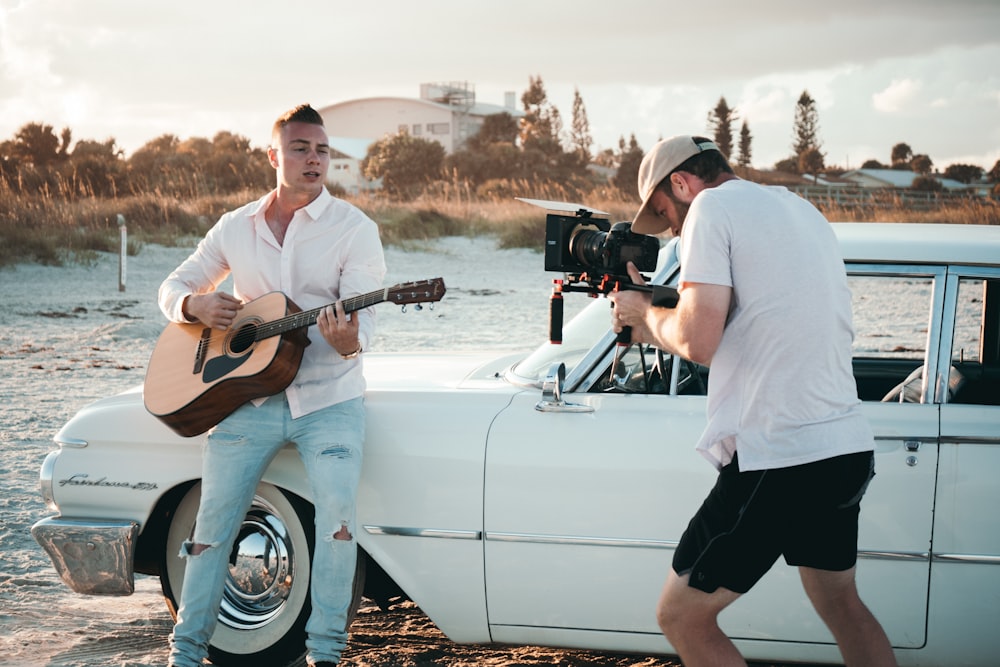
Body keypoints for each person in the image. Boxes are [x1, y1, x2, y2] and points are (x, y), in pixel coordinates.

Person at [609, 136, 897, 667]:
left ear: (681, 183)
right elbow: (747, 326)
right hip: (842, 446)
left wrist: (645, 311)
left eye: (665, 213)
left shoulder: (710, 209)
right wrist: (646, 318)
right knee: (841, 603)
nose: (671, 227)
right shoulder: (797, 207)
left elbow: (697, 342)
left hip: (778, 454)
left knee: (681, 617)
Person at [159, 104, 386, 667]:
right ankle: (185, 654)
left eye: (323, 150)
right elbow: (174, 285)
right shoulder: (236, 226)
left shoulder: (355, 230)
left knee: (336, 525)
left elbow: (368, 330)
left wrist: (347, 339)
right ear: (273, 156)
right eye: (302, 149)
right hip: (244, 397)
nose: (315, 160)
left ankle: (325, 655)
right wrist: (195, 303)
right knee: (211, 528)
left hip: (330, 400)